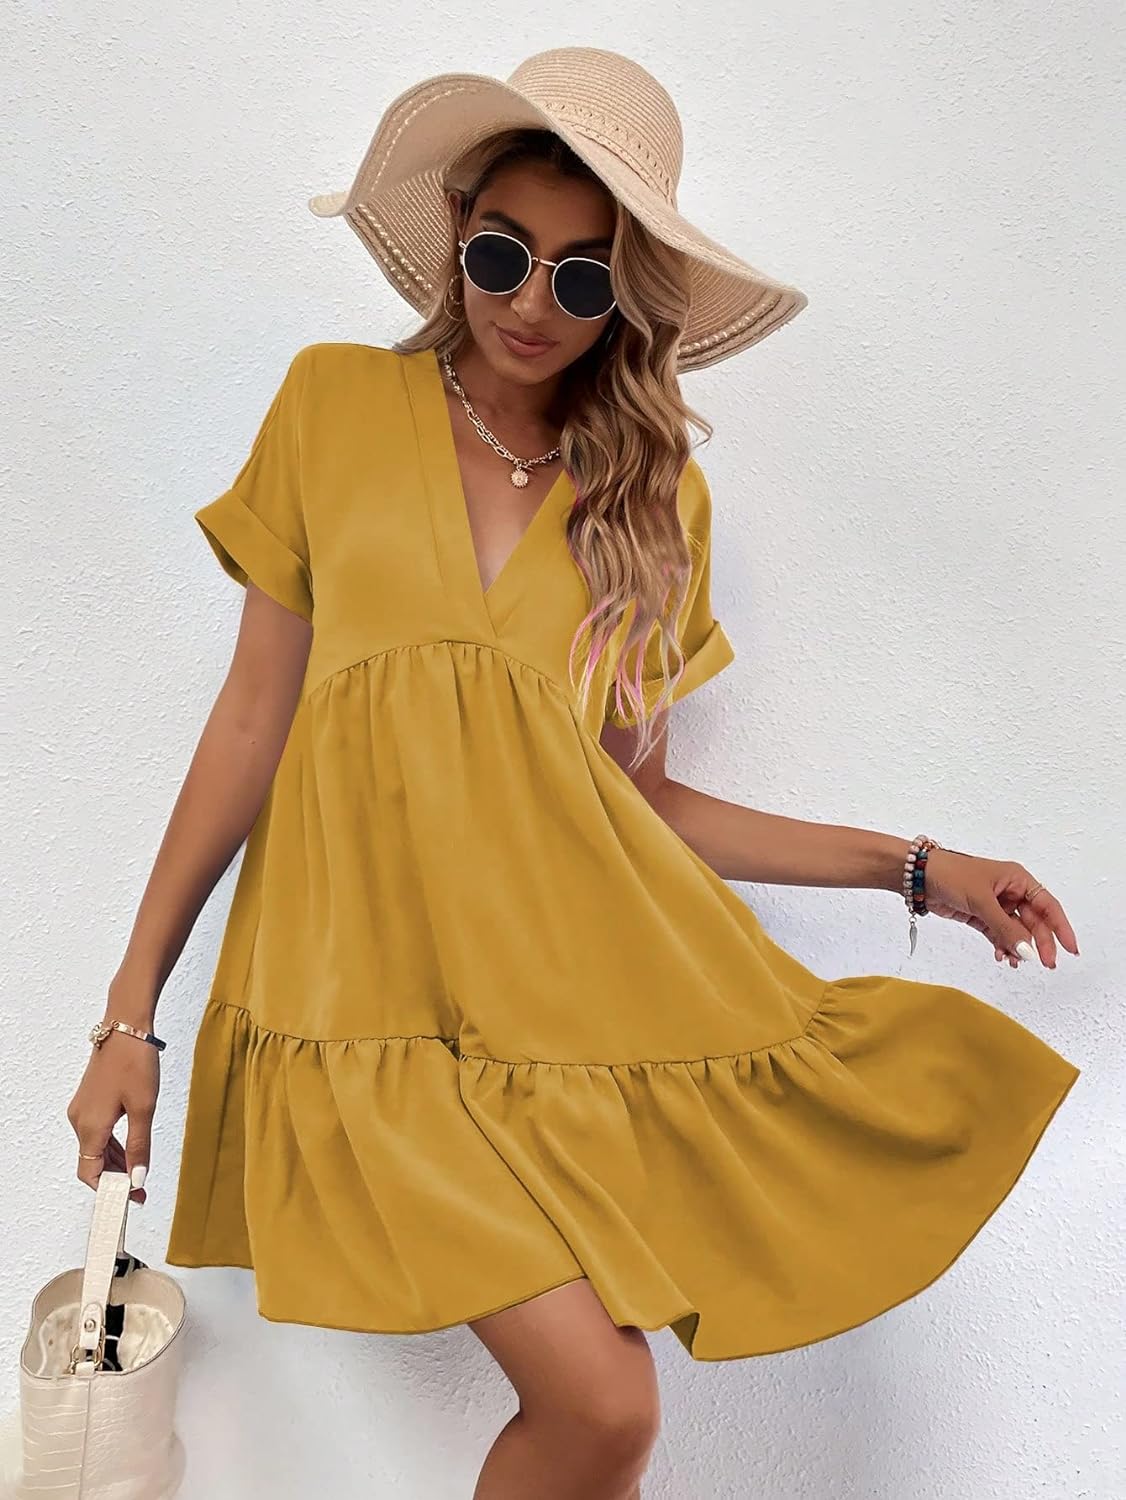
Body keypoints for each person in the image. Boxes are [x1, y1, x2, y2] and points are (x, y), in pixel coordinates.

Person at [66, 46, 1081, 1500]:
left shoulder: (650, 504)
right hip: (358, 1005)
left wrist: (914, 869)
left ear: (627, 297)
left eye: (583, 276)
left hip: (546, 1014)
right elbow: (248, 725)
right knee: (603, 1407)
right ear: (456, 226)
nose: (532, 303)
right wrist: (132, 1017)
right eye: (503, 253)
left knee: (607, 1416)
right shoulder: (330, 405)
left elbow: (636, 806)